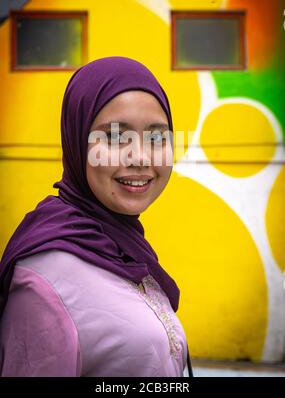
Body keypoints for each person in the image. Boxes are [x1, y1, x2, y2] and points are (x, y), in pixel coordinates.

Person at [0, 56, 193, 377]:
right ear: (77, 140)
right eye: (116, 136)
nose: (140, 157)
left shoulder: (124, 247)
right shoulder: (43, 279)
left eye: (157, 137)